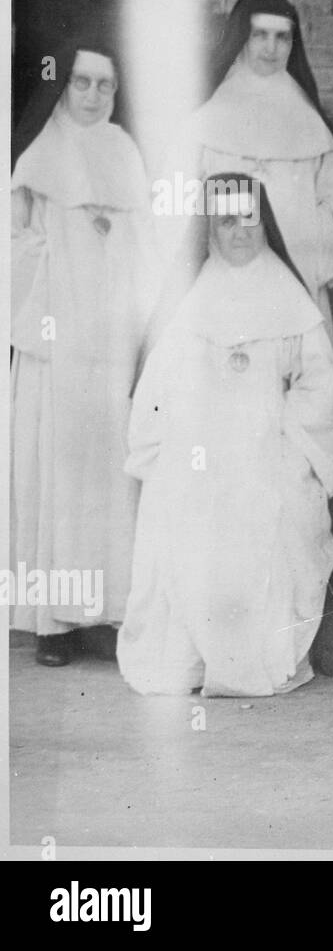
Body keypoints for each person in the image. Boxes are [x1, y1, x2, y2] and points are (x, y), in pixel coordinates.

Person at [117, 177, 333, 697]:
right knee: (180, 503)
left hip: (272, 446)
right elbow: (155, 392)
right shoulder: (186, 304)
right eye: (226, 220)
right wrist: (162, 449)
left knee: (277, 501)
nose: (239, 230)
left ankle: (254, 657)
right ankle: (194, 660)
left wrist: (293, 447)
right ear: (209, 230)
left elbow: (319, 387)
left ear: (263, 224)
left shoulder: (291, 300)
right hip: (195, 449)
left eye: (249, 218)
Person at [10, 40, 159, 667]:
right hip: (56, 341)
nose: (93, 96)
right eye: (81, 83)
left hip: (113, 344)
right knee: (58, 472)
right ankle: (52, 623)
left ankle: (102, 612)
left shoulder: (125, 152)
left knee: (109, 475)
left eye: (105, 85)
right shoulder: (39, 156)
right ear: (62, 86)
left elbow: (149, 248)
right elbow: (12, 245)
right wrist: (60, 259)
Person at [160, 0, 333, 338]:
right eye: (260, 35)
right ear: (242, 39)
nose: (271, 47)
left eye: (282, 37)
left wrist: (307, 241)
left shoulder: (309, 121)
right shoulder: (207, 119)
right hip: (220, 276)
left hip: (296, 273)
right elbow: (171, 196)